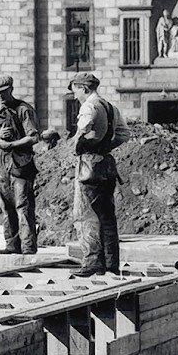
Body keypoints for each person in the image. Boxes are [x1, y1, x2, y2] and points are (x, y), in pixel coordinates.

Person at [68, 71, 120, 277]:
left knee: (84, 214)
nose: (74, 96)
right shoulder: (109, 107)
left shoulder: (89, 106)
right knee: (107, 216)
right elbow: (124, 133)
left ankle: (92, 263)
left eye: (76, 91)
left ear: (85, 88)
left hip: (89, 164)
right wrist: (104, 146)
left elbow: (83, 128)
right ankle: (110, 263)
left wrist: (78, 145)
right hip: (107, 163)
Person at [0, 73, 39, 255]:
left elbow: (34, 136)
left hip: (21, 165)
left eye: (3, 93)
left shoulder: (24, 110)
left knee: (23, 206)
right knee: (6, 207)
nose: (0, 97)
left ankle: (28, 247)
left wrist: (12, 144)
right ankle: (12, 245)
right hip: (1, 165)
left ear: (11, 90)